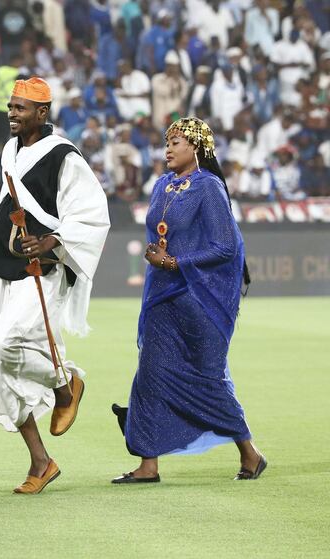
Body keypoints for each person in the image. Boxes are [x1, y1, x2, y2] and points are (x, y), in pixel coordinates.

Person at [0, 78, 110, 494]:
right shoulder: (8, 152)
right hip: (1, 264)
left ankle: (66, 383)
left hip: (40, 268)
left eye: (20, 108)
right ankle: (41, 461)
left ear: (42, 113)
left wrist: (51, 240)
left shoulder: (65, 156)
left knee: (6, 344)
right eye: (10, 107)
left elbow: (91, 216)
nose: (11, 114)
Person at [111, 117, 265, 484]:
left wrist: (176, 262)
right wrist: (159, 258)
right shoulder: (162, 184)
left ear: (195, 147)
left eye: (176, 142)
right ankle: (148, 465)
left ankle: (249, 452)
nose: (167, 149)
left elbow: (225, 247)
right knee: (148, 375)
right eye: (167, 142)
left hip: (198, 299)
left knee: (206, 380)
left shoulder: (209, 188)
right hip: (164, 296)